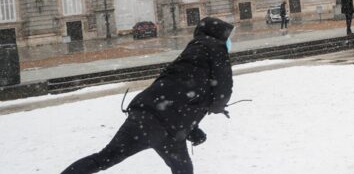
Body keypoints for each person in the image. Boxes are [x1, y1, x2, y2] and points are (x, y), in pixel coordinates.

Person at [61, 17, 234, 173]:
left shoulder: (192, 53)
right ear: (219, 35)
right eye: (228, 36)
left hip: (145, 117)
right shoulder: (216, 48)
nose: (229, 40)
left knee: (104, 158)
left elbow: (178, 93)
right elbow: (222, 89)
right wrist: (218, 107)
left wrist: (192, 129)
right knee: (183, 170)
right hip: (168, 127)